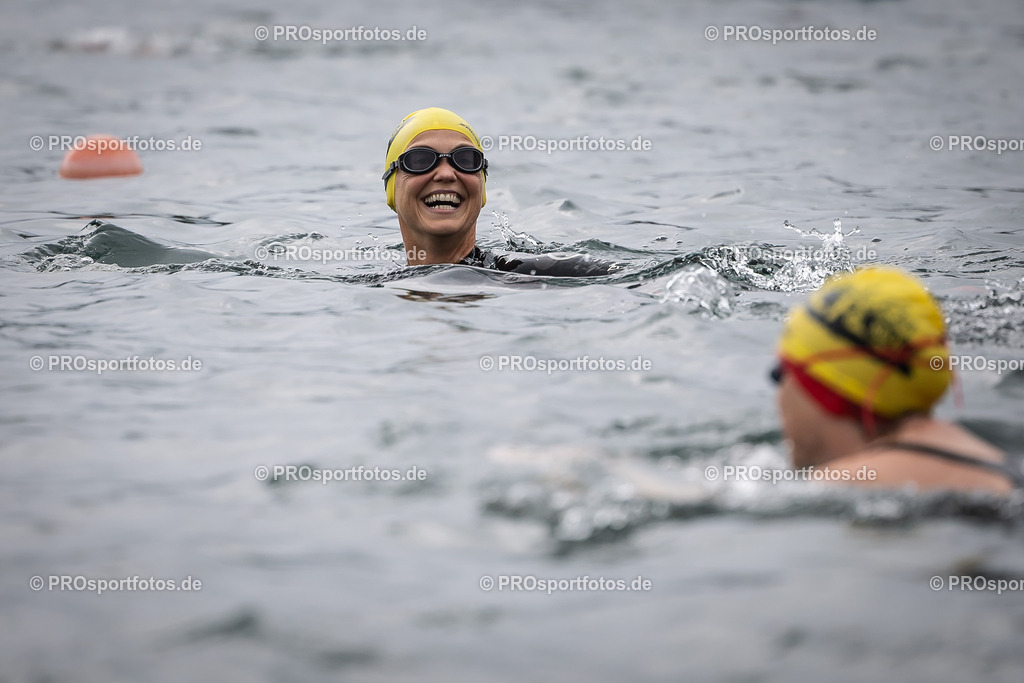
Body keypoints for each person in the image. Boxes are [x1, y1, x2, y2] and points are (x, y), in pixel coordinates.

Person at [772, 266, 1022, 494]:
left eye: (780, 372)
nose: (779, 393)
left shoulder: (841, 486)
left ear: (825, 391)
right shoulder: (1003, 471)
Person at [383, 107, 617, 276]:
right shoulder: (378, 288)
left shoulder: (541, 271)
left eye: (465, 160)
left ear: (481, 187)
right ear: (392, 188)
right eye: (420, 160)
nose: (446, 174)